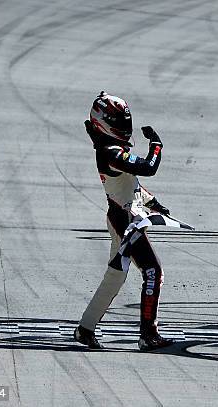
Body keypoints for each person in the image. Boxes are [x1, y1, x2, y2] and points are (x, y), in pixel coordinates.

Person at [74, 91, 174, 351]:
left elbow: (129, 185)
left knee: (115, 276)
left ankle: (85, 329)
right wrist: (156, 144)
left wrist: (152, 202)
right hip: (126, 222)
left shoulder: (109, 148)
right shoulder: (110, 152)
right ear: (103, 123)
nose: (124, 128)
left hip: (120, 216)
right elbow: (147, 167)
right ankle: (148, 335)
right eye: (118, 123)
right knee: (153, 272)